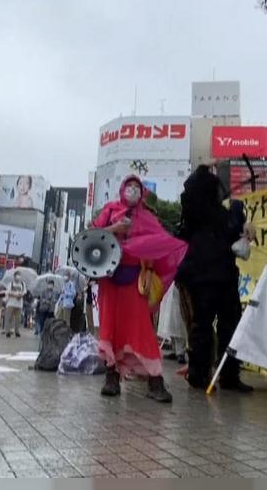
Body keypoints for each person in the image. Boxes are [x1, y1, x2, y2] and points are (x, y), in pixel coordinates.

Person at [91, 176, 187, 403]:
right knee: (109, 327)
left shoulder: (148, 218)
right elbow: (93, 236)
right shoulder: (109, 210)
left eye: (137, 187)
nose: (132, 191)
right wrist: (115, 228)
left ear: (141, 192)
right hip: (110, 277)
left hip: (136, 279)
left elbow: (160, 242)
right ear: (122, 189)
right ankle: (111, 376)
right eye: (129, 187)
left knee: (142, 328)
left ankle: (155, 380)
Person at [175, 165, 255, 393]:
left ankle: (199, 374)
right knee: (229, 327)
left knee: (200, 327)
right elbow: (236, 231)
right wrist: (239, 212)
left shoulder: (190, 216)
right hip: (223, 277)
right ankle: (228, 375)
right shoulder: (225, 215)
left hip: (198, 279)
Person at [4, 272, 27, 338]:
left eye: (19, 276)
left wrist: (20, 296)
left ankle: (17, 331)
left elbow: (24, 292)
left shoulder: (23, 284)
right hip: (11, 304)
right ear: (14, 277)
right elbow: (7, 293)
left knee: (18, 319)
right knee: (9, 318)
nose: (18, 277)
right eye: (17, 276)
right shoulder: (10, 284)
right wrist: (15, 295)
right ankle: (7, 332)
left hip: (19, 305)